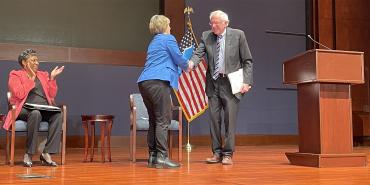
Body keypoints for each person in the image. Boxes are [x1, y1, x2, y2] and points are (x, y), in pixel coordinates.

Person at [189, 10, 253, 165]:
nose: (213, 25)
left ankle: (228, 154)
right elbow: (199, 53)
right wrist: (191, 63)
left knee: (229, 120)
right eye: (211, 22)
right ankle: (216, 153)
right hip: (213, 83)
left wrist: (247, 81)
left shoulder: (238, 35)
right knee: (214, 120)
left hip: (231, 83)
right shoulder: (207, 36)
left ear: (226, 23)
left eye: (216, 22)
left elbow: (247, 61)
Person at [137, 15, 192, 169]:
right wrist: (188, 65)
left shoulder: (154, 41)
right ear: (164, 26)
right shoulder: (168, 39)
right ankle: (162, 157)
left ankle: (153, 156)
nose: (171, 27)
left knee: (154, 120)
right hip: (158, 82)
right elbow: (178, 58)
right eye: (169, 24)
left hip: (144, 82)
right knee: (163, 120)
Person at [3, 49, 65, 167]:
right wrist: (31, 79)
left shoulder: (43, 75)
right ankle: (29, 153)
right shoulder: (15, 75)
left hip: (43, 108)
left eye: (37, 60)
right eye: (33, 60)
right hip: (23, 108)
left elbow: (52, 95)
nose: (37, 63)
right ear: (24, 63)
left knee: (58, 114)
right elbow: (20, 94)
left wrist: (52, 78)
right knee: (35, 113)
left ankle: (46, 153)